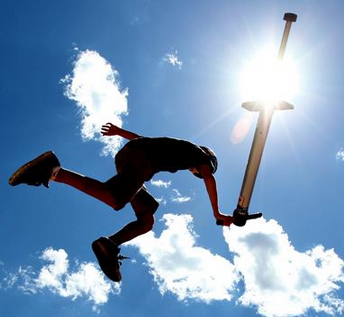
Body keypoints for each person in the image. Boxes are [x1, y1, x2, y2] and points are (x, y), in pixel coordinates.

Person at [9, 123, 233, 282]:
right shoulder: (200, 156)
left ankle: (110, 245)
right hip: (141, 160)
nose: (194, 172)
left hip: (132, 157)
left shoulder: (179, 149)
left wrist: (118, 132)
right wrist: (217, 212)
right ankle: (54, 171)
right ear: (207, 159)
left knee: (147, 219)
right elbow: (209, 178)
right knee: (115, 199)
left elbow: (141, 139)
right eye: (197, 172)